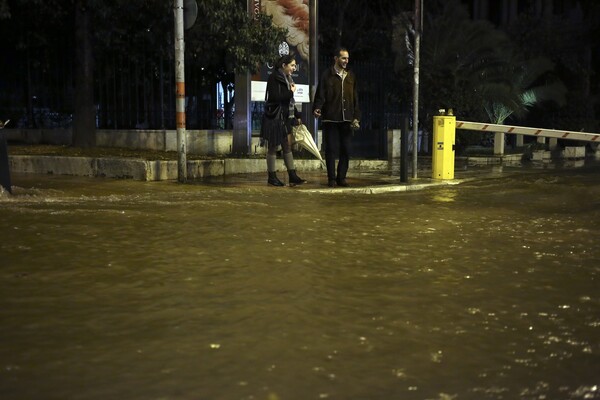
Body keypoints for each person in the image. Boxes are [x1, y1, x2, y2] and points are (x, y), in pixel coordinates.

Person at [313, 47, 360, 187]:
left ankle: (342, 178)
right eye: (343, 58)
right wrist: (317, 108)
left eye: (347, 58)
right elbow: (320, 93)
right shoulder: (327, 75)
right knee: (331, 149)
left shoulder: (351, 76)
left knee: (346, 149)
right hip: (331, 118)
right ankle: (331, 179)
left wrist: (356, 116)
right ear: (336, 58)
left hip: (347, 119)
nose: (346, 61)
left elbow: (355, 97)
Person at [260, 54, 306, 186]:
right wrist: (291, 92)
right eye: (292, 65)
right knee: (273, 147)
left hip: (284, 117)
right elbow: (275, 97)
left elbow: (289, 102)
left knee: (287, 145)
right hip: (275, 118)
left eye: (294, 65)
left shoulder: (287, 78)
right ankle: (272, 177)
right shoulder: (274, 77)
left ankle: (292, 175)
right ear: (284, 65)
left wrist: (297, 115)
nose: (294, 68)